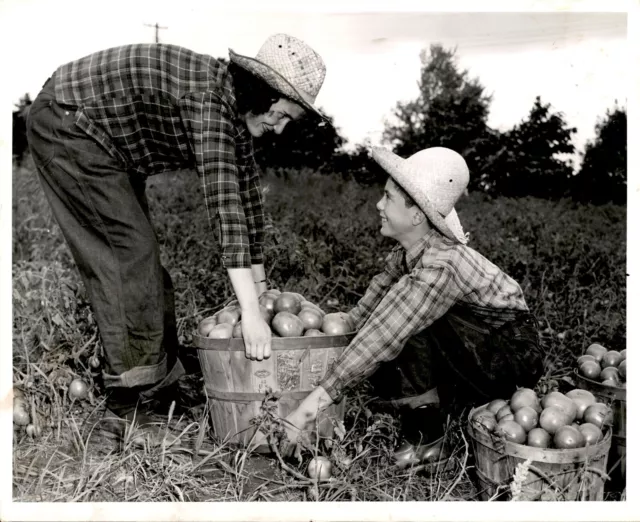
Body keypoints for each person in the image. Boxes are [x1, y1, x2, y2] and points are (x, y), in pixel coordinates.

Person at [26, 34, 327, 442]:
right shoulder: (209, 102)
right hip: (68, 122)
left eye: (288, 121)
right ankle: (125, 408)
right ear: (262, 92)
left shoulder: (235, 115)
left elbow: (248, 201)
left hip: (105, 141)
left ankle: (159, 384)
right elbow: (225, 208)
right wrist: (252, 315)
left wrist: (260, 291)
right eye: (281, 114)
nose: (279, 128)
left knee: (142, 262)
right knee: (128, 256)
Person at [273, 146, 543, 467]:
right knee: (390, 320)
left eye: (387, 197)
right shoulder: (404, 254)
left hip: (509, 356)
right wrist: (304, 328)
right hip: (472, 346)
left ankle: (429, 436)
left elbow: (382, 334)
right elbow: (361, 317)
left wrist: (305, 411)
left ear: (416, 215)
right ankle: (443, 405)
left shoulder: (440, 265)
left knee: (401, 329)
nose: (378, 205)